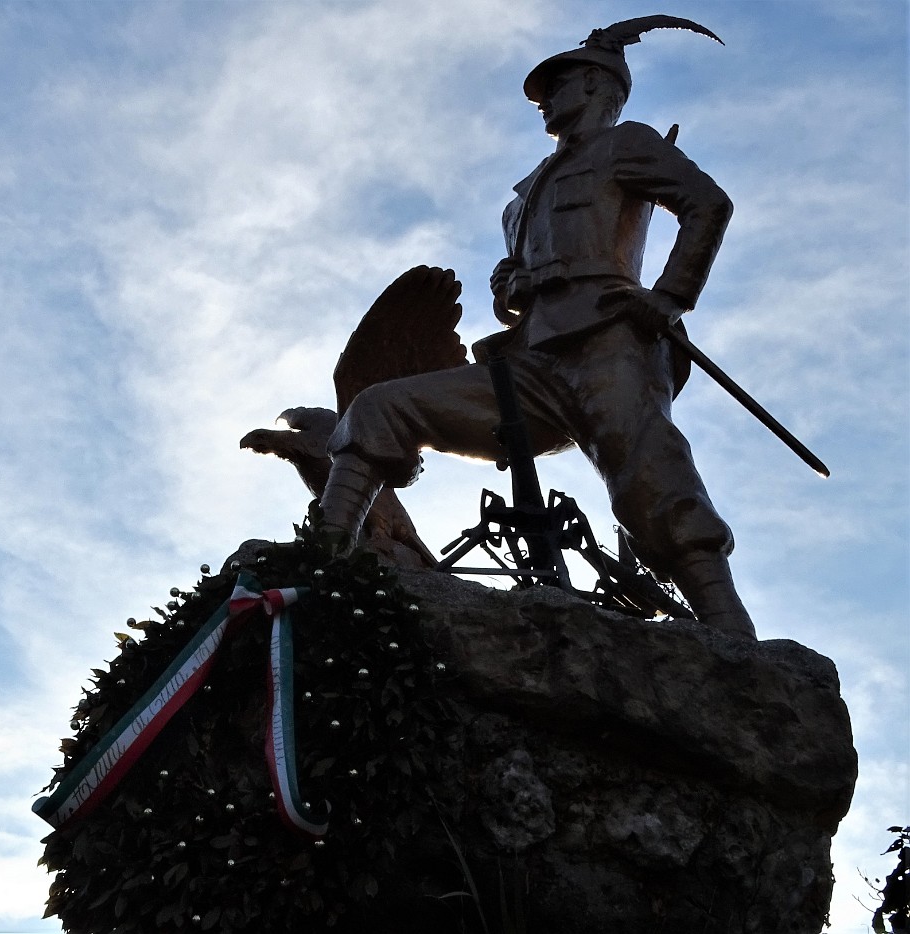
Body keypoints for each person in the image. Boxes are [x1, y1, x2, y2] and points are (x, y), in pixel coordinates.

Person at [318, 17, 757, 639]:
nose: (542, 98)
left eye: (556, 85)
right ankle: (324, 558)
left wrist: (670, 296)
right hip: (530, 363)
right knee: (378, 406)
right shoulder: (523, 196)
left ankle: (728, 628)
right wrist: (509, 288)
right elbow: (519, 287)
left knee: (649, 471)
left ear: (596, 86)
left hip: (609, 342)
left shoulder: (627, 143)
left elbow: (707, 204)